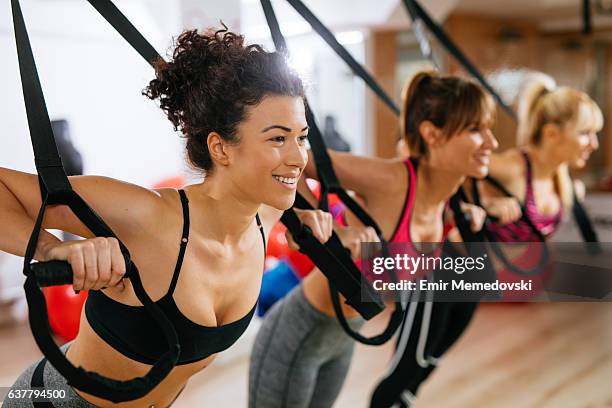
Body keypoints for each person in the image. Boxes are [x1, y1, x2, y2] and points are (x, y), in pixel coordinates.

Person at [1, 27, 334, 408]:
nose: (297, 157)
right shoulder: (149, 218)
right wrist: (49, 248)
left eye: (301, 137)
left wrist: (309, 221)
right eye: (278, 138)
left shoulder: (267, 217)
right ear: (220, 148)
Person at [248, 71, 498, 408]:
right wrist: (327, 230)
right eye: (475, 130)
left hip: (343, 340)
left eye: (488, 129)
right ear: (432, 134)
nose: (491, 142)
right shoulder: (392, 180)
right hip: (299, 332)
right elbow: (298, 161)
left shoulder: (446, 204)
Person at [478, 75, 603, 240]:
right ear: (551, 134)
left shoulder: (565, 185)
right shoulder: (512, 169)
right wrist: (481, 207)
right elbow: (444, 169)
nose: (594, 144)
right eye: (585, 133)